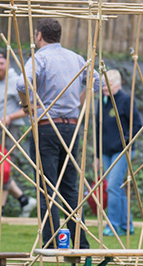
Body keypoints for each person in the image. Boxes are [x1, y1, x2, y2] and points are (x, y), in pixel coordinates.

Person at [16, 17, 99, 249]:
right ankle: (80, 244)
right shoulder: (76, 58)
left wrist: (26, 106)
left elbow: (22, 84)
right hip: (71, 126)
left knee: (47, 187)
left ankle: (51, 244)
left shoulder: (40, 58)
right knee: (70, 188)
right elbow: (96, 82)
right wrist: (78, 103)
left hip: (46, 127)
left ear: (39, 36)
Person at [0, 51, 35, 218]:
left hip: (9, 129)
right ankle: (24, 200)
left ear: (8, 64)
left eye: (1, 63)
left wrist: (10, 116)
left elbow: (29, 108)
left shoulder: (16, 82)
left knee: (1, 170)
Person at [96, 69, 143, 237]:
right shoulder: (103, 102)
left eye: (108, 86)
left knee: (113, 187)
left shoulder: (125, 100)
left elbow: (137, 125)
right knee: (117, 189)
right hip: (106, 151)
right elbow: (98, 128)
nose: (104, 90)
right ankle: (126, 225)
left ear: (117, 84)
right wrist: (97, 155)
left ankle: (113, 225)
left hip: (122, 150)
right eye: (103, 86)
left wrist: (127, 140)